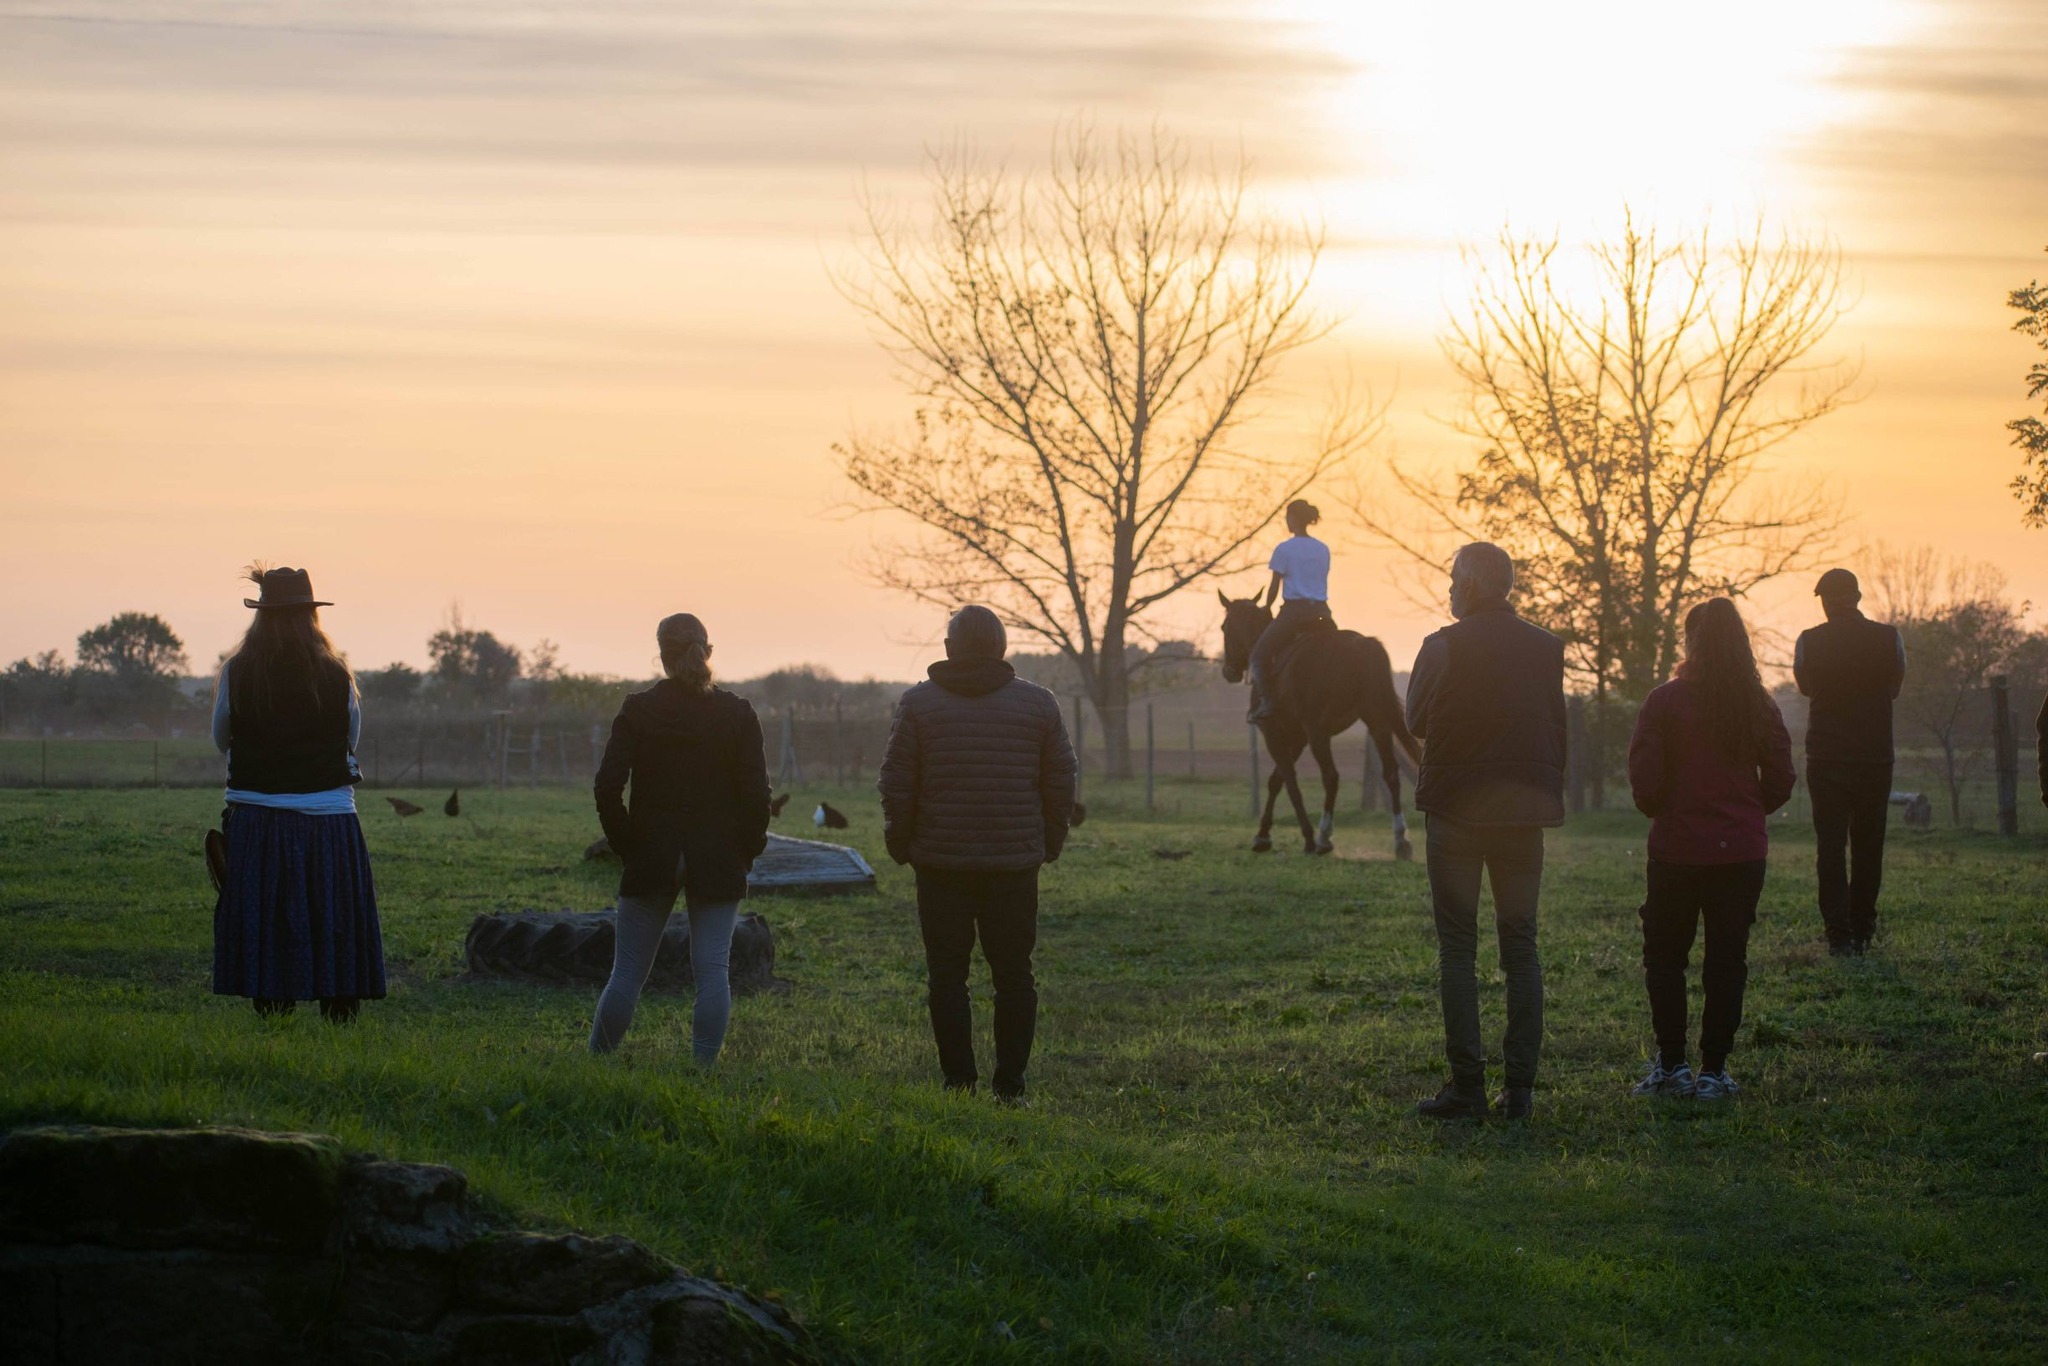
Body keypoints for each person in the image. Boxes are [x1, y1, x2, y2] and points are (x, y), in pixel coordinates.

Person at [878, 605, 1077, 1101]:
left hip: (940, 864)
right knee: (1014, 976)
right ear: (1002, 648)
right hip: (1013, 864)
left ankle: (958, 1082)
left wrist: (900, 842)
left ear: (949, 649)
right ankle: (1010, 1086)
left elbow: (897, 782)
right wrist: (1049, 841)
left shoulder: (919, 704)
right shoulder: (1039, 704)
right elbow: (1061, 780)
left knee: (947, 976)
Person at [1404, 543, 1566, 1122]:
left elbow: (1415, 720)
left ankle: (1466, 1087)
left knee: (1458, 947)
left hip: (1456, 815)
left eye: (1452, 579)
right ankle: (1519, 1090)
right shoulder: (1547, 648)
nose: (1448, 589)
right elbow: (1555, 721)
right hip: (1524, 816)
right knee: (1521, 946)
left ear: (1471, 586)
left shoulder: (1441, 646)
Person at [1626, 598, 1796, 1103]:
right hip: (1740, 853)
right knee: (1727, 959)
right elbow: (1783, 777)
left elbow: (1645, 779)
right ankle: (1714, 1070)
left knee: (1665, 957)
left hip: (1677, 850)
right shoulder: (1758, 704)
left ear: (1690, 641)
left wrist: (1664, 807)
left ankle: (1673, 1064)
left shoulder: (1665, 701)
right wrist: (1745, 811)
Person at [591, 613, 770, 1062]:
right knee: (713, 972)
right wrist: (747, 850)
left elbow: (607, 786)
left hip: (652, 851)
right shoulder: (738, 713)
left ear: (661, 655)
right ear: (707, 651)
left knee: (627, 973)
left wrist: (627, 845)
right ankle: (702, 1072)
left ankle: (596, 1063)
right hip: (718, 854)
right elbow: (756, 794)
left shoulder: (638, 709)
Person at [211, 566, 384, 1022]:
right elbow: (350, 739)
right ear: (312, 616)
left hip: (257, 815)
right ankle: (339, 1010)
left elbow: (220, 739)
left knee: (268, 920)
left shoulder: (237, 673)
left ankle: (273, 1009)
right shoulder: (337, 674)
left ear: (260, 617)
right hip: (329, 816)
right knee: (334, 919)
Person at [1793, 568, 1907, 956]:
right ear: (1857, 598)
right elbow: (1894, 688)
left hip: (1826, 756)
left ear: (1825, 601)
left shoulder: (1809, 641)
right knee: (1868, 843)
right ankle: (1863, 927)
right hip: (1875, 756)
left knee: (1830, 846)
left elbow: (1806, 687)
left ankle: (1838, 933)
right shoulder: (1889, 638)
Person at [1247, 500, 1334, 723]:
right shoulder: (1322, 549)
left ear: (1294, 518)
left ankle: (1268, 702)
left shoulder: (1284, 549)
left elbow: (1275, 586)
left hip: (1294, 614)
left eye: (1287, 516)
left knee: (1258, 656)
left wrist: (1266, 607)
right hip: (1322, 612)